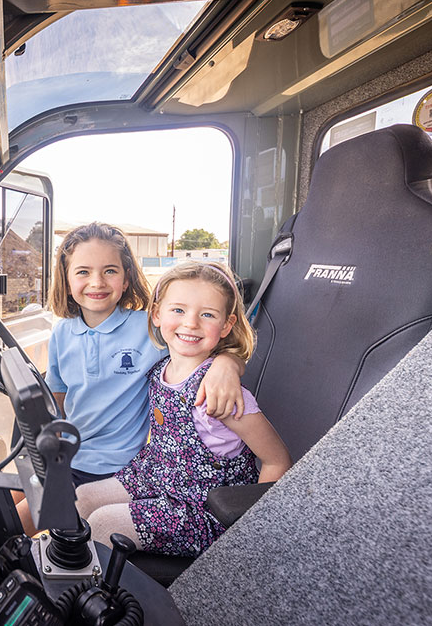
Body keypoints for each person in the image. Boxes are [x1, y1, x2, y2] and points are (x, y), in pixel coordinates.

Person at [16, 222, 246, 535]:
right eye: (83, 272)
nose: (97, 282)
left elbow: (206, 345)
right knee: (6, 494)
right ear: (67, 280)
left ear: (126, 279)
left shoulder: (148, 329)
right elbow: (59, 400)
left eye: (110, 271)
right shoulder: (61, 333)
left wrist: (228, 365)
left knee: (18, 521)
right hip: (68, 456)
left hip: (117, 468)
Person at [74, 260, 292, 555]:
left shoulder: (221, 395)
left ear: (227, 325)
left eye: (207, 314)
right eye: (178, 310)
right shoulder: (160, 366)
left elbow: (277, 460)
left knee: (102, 523)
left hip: (202, 508)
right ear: (157, 314)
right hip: (156, 476)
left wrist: (252, 532)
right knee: (82, 499)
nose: (191, 323)